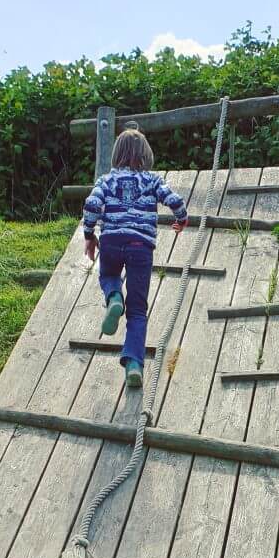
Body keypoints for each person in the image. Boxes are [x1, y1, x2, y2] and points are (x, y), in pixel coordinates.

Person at [82, 129, 188, 387]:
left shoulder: (106, 181)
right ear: (145, 155)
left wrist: (89, 234)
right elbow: (174, 200)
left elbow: (92, 205)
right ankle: (133, 365)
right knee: (138, 310)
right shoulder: (152, 180)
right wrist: (181, 218)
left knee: (108, 275)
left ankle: (114, 297)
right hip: (141, 246)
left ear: (117, 153)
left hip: (111, 241)